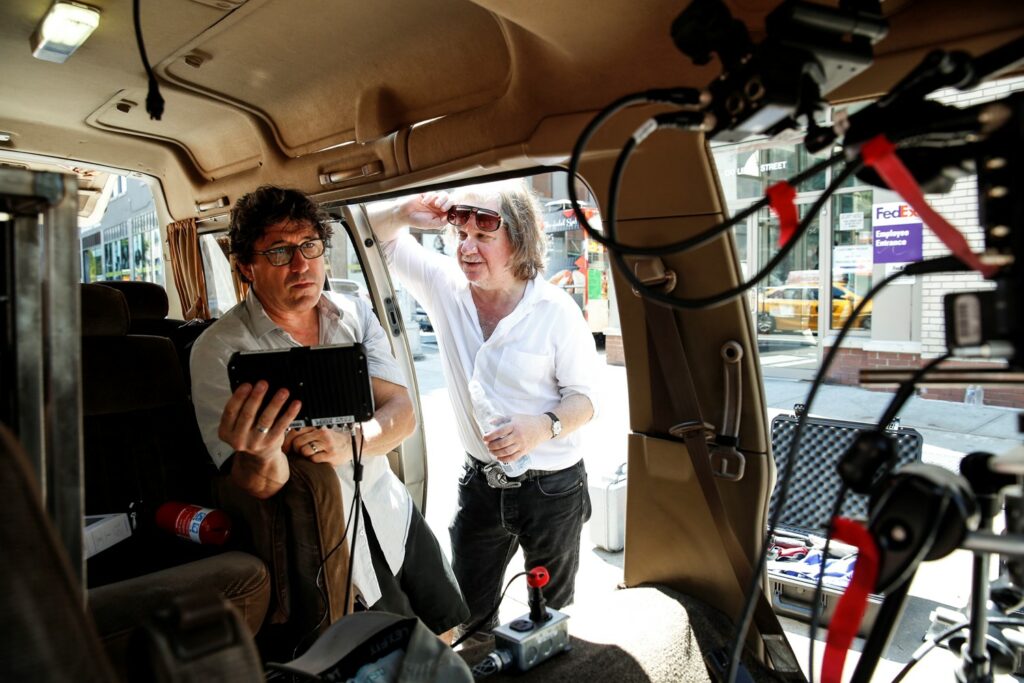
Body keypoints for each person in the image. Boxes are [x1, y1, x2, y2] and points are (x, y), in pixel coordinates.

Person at [190, 185, 467, 641]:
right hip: (315, 534)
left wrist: (351, 442)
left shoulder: (354, 314)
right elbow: (257, 483)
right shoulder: (218, 350)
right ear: (246, 266)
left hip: (387, 504)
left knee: (447, 633)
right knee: (382, 658)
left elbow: (402, 413)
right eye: (279, 252)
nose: (300, 264)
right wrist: (260, 454)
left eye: (309, 246)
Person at [371, 180, 601, 634]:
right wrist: (405, 210)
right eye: (461, 236)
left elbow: (586, 401)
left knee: (549, 615)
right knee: (468, 615)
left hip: (553, 489)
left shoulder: (556, 311)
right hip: (480, 483)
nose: (467, 249)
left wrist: (542, 426)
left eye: (483, 236)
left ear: (518, 240)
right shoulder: (443, 286)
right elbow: (375, 234)